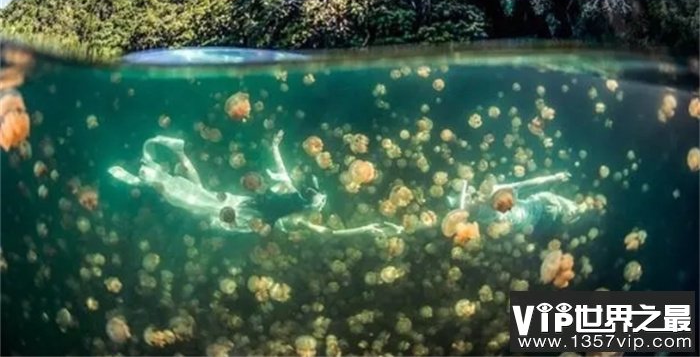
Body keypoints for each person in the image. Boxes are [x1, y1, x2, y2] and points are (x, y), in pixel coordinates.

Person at [108, 131, 402, 237]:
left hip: (230, 215)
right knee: (196, 196)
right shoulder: (293, 203)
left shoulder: (294, 216)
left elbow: (330, 233)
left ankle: (157, 172)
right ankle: (162, 169)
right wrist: (275, 146)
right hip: (232, 209)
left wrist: (366, 228)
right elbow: (331, 232)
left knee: (195, 196)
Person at [447, 171, 581, 228]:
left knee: (546, 196)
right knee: (548, 200)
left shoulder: (500, 189)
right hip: (535, 225)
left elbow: (530, 183)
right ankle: (571, 210)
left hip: (533, 207)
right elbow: (470, 210)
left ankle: (571, 208)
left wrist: (554, 177)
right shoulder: (483, 211)